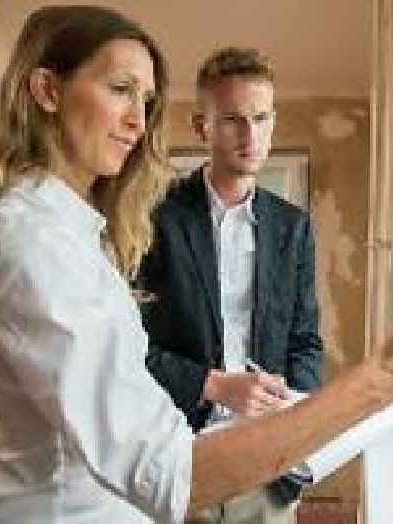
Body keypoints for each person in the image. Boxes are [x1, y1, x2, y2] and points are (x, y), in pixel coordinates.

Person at [0, 5, 393, 524]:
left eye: (146, 100)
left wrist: (291, 413)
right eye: (120, 89)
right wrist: (387, 377)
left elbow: (297, 340)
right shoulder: (27, 240)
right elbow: (166, 471)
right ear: (47, 90)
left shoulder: (78, 233)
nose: (137, 121)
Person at [138, 47, 322, 522]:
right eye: (234, 120)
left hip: (268, 464)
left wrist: (297, 418)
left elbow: (304, 341)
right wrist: (214, 386)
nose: (250, 136)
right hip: (180, 454)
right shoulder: (153, 218)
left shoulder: (294, 227)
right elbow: (131, 349)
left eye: (261, 119)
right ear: (202, 126)